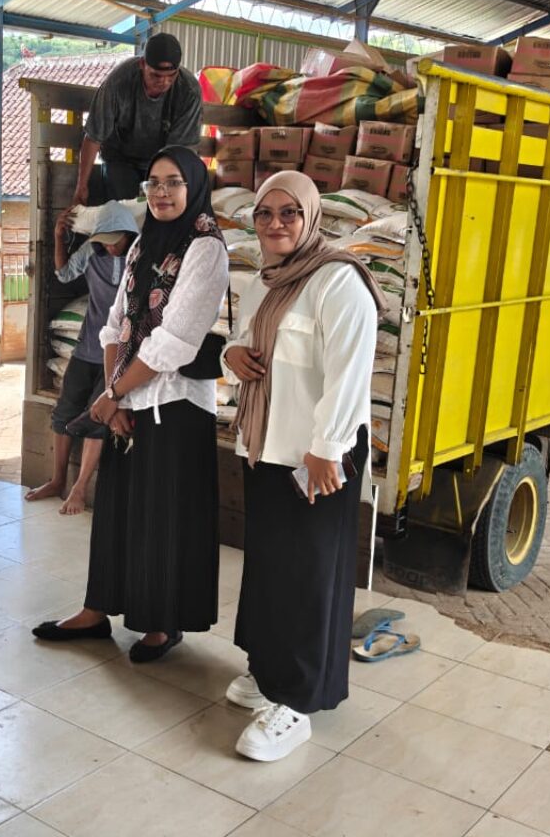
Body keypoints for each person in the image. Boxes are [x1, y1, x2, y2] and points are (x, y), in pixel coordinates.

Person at [33, 146, 228, 661]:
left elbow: (175, 340)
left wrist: (116, 392)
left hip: (176, 404)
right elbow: (116, 323)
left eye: (173, 183)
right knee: (118, 509)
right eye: (154, 183)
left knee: (162, 515)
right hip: (128, 397)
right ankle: (98, 609)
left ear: (194, 187)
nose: (162, 193)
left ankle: (162, 623)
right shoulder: (143, 245)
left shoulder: (206, 249)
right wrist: (113, 394)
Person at [221, 171, 384, 762]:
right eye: (265, 213)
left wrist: (328, 447)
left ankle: (296, 703)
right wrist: (229, 353)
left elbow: (349, 373)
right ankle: (267, 671)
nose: (275, 224)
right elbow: (242, 342)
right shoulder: (267, 281)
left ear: (311, 216)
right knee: (269, 568)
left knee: (310, 575)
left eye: (289, 212)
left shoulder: (338, 281)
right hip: (267, 447)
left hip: (317, 453)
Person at [25, 202, 139, 515]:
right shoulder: (92, 254)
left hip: (119, 355)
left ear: (130, 235)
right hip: (87, 347)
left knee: (97, 417)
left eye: (116, 240)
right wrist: (59, 237)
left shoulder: (140, 259)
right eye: (104, 240)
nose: (110, 246)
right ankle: (57, 480)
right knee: (63, 413)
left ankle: (79, 488)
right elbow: (63, 275)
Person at [72, 32, 203, 206]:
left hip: (163, 160)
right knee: (125, 208)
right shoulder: (119, 82)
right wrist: (81, 186)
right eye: (155, 75)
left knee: (162, 209)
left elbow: (178, 152)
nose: (164, 82)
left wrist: (163, 187)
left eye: (171, 76)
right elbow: (94, 136)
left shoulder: (189, 91)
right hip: (120, 157)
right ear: (142, 64)